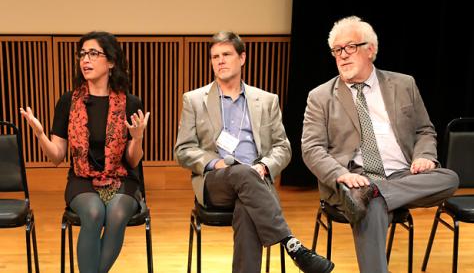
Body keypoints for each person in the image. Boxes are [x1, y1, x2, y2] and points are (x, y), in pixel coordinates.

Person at [301, 15, 459, 273]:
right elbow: (311, 149)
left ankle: (377, 191)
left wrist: (425, 156)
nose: (342, 55)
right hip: (355, 179)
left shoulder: (403, 84)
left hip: (404, 174)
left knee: (449, 178)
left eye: (350, 47)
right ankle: (373, 193)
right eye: (337, 50)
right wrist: (341, 174)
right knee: (370, 204)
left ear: (370, 50)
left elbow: (424, 130)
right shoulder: (320, 97)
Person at [174, 31, 334, 273]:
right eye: (215, 56)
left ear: (242, 58)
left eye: (226, 54)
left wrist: (265, 166)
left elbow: (283, 147)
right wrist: (215, 163)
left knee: (247, 208)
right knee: (241, 174)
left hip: (256, 180)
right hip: (216, 181)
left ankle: (289, 245)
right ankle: (292, 245)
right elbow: (183, 150)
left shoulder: (266, 100)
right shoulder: (195, 100)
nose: (220, 60)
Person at [20, 31, 150, 273]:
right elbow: (57, 156)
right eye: (82, 55)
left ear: (111, 62)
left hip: (122, 178)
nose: (85, 60)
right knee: (93, 212)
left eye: (93, 54)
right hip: (82, 180)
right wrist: (39, 135)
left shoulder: (131, 103)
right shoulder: (68, 101)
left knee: (117, 213)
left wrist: (138, 137)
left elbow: (132, 161)